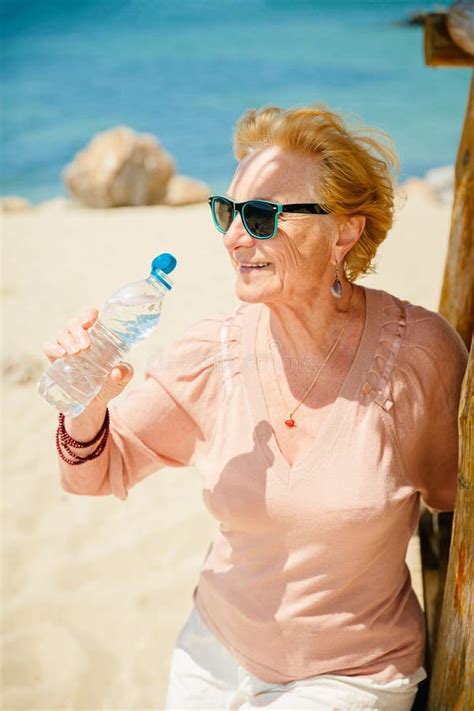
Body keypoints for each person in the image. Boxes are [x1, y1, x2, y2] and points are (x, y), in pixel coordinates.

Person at [43, 105, 468, 710]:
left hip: (350, 676)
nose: (235, 237)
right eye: (229, 211)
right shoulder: (209, 354)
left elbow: (456, 499)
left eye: (263, 216)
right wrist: (85, 405)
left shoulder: (419, 355)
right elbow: (93, 473)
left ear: (344, 231)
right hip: (211, 655)